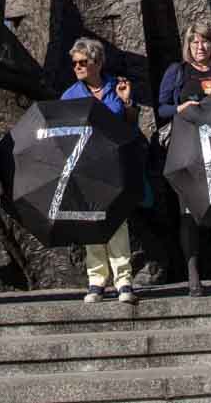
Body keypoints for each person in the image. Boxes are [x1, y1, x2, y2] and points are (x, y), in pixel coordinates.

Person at [158, 22, 211, 296]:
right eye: (194, 42)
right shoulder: (178, 71)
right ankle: (193, 278)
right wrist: (180, 107)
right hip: (187, 148)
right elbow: (161, 108)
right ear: (188, 45)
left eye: (205, 41)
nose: (200, 47)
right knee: (189, 213)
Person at [62, 38, 139, 303]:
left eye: (84, 62)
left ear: (97, 62)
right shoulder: (70, 95)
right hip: (85, 165)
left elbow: (131, 126)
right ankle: (96, 280)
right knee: (90, 222)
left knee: (117, 222)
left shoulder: (115, 87)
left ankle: (124, 280)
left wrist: (127, 102)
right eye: (75, 64)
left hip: (115, 163)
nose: (79, 67)